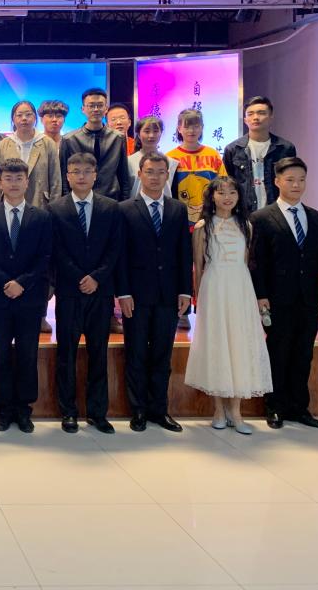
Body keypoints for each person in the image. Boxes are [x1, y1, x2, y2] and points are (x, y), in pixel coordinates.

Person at [185, 177, 272, 435]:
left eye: (232, 192)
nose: (227, 197)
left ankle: (236, 411)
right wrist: (198, 297)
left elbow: (245, 262)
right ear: (212, 197)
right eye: (221, 192)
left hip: (240, 288)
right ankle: (218, 410)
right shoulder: (203, 226)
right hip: (214, 288)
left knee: (239, 345)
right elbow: (198, 265)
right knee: (217, 345)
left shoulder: (246, 225)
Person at [251, 157, 318, 430]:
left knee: (303, 353)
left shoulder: (317, 218)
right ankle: (274, 407)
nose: (296, 185)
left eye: (301, 180)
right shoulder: (261, 218)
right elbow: (257, 261)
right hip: (277, 298)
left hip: (308, 298)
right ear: (277, 181)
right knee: (278, 351)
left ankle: (299, 408)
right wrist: (261, 295)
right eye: (290, 180)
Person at [115, 152, 192, 433]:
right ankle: (138, 410)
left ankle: (160, 410)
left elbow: (184, 252)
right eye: (150, 172)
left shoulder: (177, 209)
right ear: (139, 174)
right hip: (136, 295)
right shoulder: (124, 209)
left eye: (161, 172)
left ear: (167, 176)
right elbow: (120, 255)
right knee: (136, 354)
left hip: (168, 294)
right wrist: (123, 293)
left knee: (162, 354)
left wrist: (186, 290)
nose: (156, 177)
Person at [0, 158, 52, 433]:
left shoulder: (41, 217)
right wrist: (5, 282)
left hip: (30, 298)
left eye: (19, 178)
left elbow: (45, 256)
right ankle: (4, 409)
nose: (14, 183)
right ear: (0, 183)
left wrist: (22, 283)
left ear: (27, 182)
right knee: (0, 354)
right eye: (8, 178)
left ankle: (24, 409)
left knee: (27, 354)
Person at [50, 153, 123, 434]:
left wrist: (97, 277)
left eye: (86, 171)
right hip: (69, 291)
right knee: (66, 354)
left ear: (95, 175)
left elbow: (115, 249)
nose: (81, 176)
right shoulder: (55, 209)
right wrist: (79, 277)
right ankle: (68, 412)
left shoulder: (111, 208)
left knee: (98, 353)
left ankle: (97, 413)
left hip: (100, 293)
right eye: (75, 171)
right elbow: (56, 250)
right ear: (67, 176)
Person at [224, 96, 297, 213]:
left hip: (277, 212)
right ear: (245, 120)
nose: (255, 118)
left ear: (271, 117)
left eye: (261, 113)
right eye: (250, 114)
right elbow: (228, 184)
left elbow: (291, 181)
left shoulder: (285, 148)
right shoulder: (233, 149)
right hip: (244, 214)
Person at [59, 88, 131, 201]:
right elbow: (64, 176)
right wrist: (67, 202)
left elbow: (123, 175)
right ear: (83, 109)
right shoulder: (69, 139)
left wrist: (124, 202)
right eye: (91, 106)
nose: (96, 109)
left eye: (100, 105)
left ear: (106, 108)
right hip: (79, 199)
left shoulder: (118, 138)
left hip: (111, 199)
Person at [0, 100, 61, 209]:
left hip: (40, 204)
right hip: (10, 205)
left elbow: (56, 181)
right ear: (13, 119)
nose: (24, 118)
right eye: (19, 115)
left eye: (28, 114)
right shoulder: (4, 144)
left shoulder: (48, 143)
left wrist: (54, 209)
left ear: (35, 118)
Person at [166, 109, 227, 226]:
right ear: (179, 128)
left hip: (210, 218)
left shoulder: (213, 154)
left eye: (196, 126)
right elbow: (166, 191)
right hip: (179, 218)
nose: (191, 130)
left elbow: (223, 185)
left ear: (202, 127)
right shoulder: (170, 157)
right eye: (187, 127)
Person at [128, 115, 177, 199]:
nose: (151, 135)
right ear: (138, 134)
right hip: (136, 206)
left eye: (156, 131)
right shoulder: (129, 161)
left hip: (165, 206)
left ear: (161, 133)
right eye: (147, 131)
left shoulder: (171, 162)